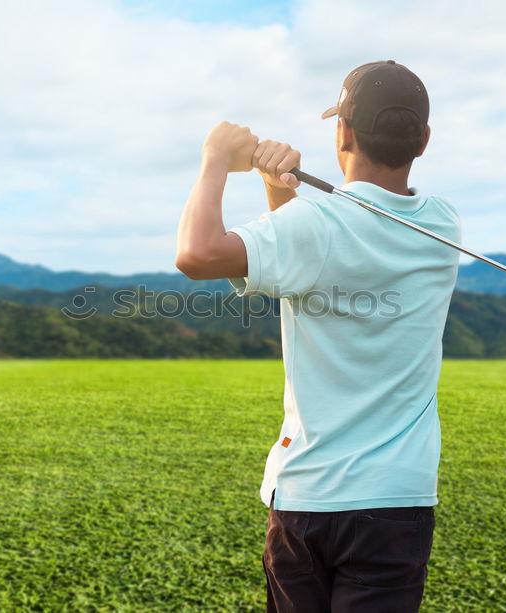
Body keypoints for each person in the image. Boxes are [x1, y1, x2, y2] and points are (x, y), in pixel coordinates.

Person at [175, 60, 461, 612]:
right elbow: (313, 266)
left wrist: (215, 158)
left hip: (307, 496)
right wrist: (277, 191)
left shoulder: (314, 227)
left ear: (344, 132)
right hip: (396, 501)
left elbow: (197, 253)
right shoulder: (443, 225)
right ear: (422, 140)